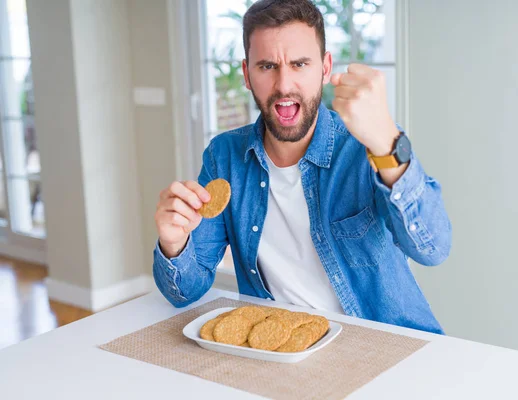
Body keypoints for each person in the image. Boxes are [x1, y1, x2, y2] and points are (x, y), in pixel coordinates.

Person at [153, 0, 451, 334]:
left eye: (299, 64)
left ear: (325, 68)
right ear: (247, 74)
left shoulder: (368, 149)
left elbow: (434, 249)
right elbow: (185, 293)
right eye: (267, 66)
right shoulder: (223, 157)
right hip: (280, 350)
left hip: (380, 344)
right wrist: (173, 243)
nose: (283, 85)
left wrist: (387, 143)